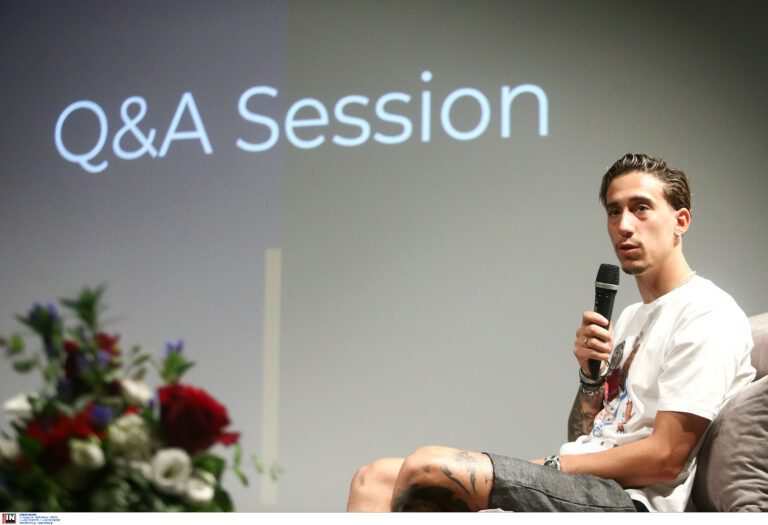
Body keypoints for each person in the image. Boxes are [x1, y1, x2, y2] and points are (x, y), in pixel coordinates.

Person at [345, 153, 756, 512]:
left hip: (631, 501)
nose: (624, 225)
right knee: (373, 477)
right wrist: (590, 377)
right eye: (614, 212)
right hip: (583, 484)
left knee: (428, 467)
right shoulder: (632, 317)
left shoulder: (706, 312)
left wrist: (551, 467)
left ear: (680, 221)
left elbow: (666, 458)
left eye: (641, 208)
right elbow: (586, 436)